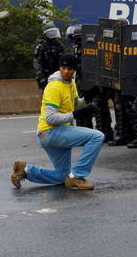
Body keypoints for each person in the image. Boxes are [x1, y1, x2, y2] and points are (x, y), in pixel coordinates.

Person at [11, 54, 103, 190]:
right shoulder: (54, 87)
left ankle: (25, 171)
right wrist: (77, 114)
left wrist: (87, 98)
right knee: (97, 136)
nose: (66, 71)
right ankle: (77, 177)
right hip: (50, 132)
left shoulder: (70, 83)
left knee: (62, 176)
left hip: (57, 132)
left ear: (75, 70)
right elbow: (51, 118)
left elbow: (74, 105)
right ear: (59, 68)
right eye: (63, 68)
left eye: (70, 68)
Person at [33, 23, 65, 90]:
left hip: (58, 75)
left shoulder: (59, 45)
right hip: (46, 75)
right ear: (46, 34)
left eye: (54, 32)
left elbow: (63, 60)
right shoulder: (42, 47)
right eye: (50, 32)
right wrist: (40, 75)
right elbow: (37, 62)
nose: (52, 34)